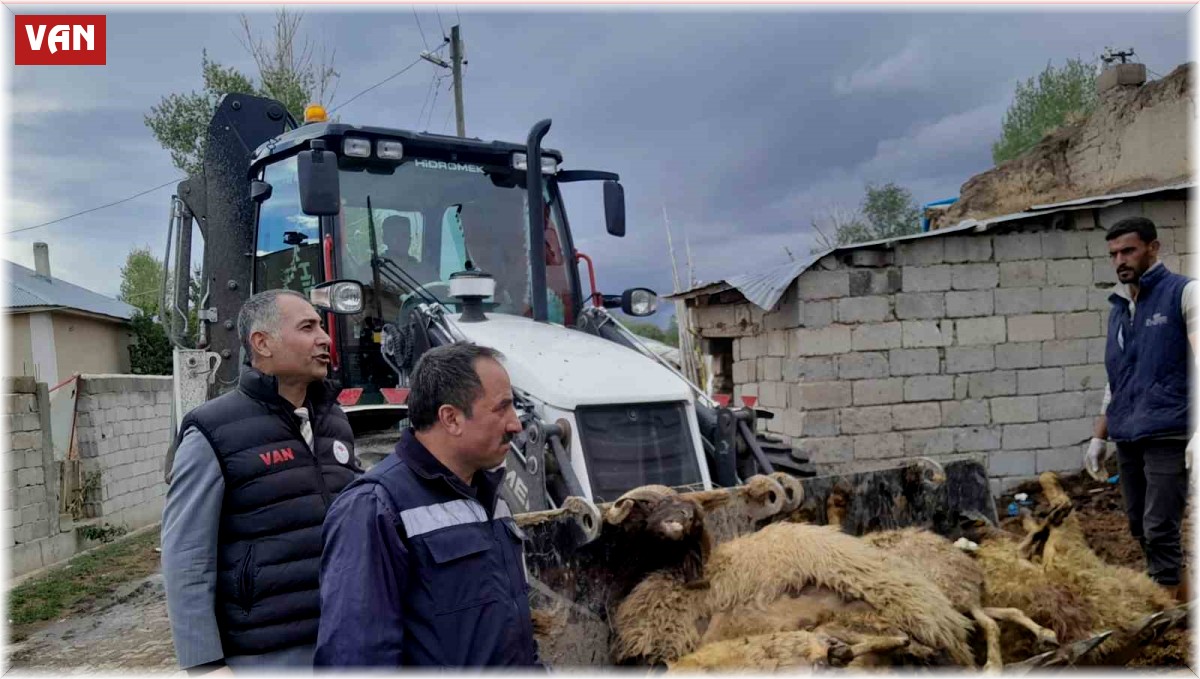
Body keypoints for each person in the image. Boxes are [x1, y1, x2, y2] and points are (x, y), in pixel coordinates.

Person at [162, 289, 362, 673]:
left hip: (343, 636)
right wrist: (204, 663)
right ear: (262, 343)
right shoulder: (213, 430)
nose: (325, 338)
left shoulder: (334, 420)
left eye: (321, 326)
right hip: (266, 652)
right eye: (308, 327)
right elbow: (186, 555)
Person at [314, 342, 541, 667]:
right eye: (502, 408)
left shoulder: (491, 500)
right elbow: (356, 659)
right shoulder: (375, 507)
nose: (515, 424)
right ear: (450, 418)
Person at [1084, 216, 1196, 601]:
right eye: (1113, 253)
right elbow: (1117, 379)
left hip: (1171, 431)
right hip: (1128, 434)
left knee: (1158, 526)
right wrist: (1099, 437)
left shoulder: (1184, 293)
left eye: (1128, 250)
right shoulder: (1119, 307)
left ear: (1154, 248)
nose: (1120, 259)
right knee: (1137, 526)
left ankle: (1164, 617)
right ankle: (1184, 605)